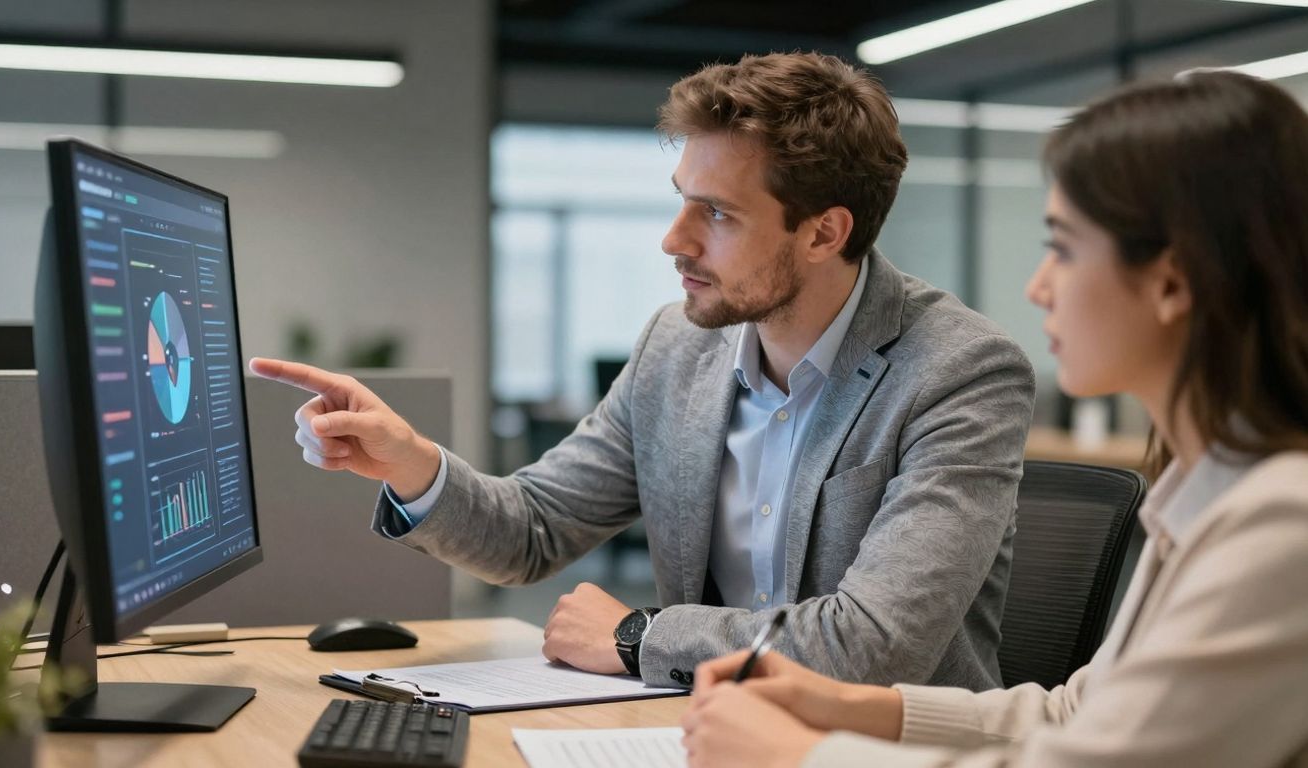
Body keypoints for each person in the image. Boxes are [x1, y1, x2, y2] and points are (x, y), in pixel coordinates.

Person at [250, 52, 1035, 691]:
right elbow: (533, 531)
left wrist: (638, 635)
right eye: (681, 199)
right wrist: (413, 465)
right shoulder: (677, 348)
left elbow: (875, 646)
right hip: (705, 735)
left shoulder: (959, 371)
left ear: (825, 233)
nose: (673, 239)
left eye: (717, 213)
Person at [680, 69, 1308, 767]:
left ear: (1171, 281)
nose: (1038, 288)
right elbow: (1078, 714)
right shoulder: (1206, 495)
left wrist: (800, 755)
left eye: (1063, 249)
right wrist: (847, 707)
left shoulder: (1283, 524)